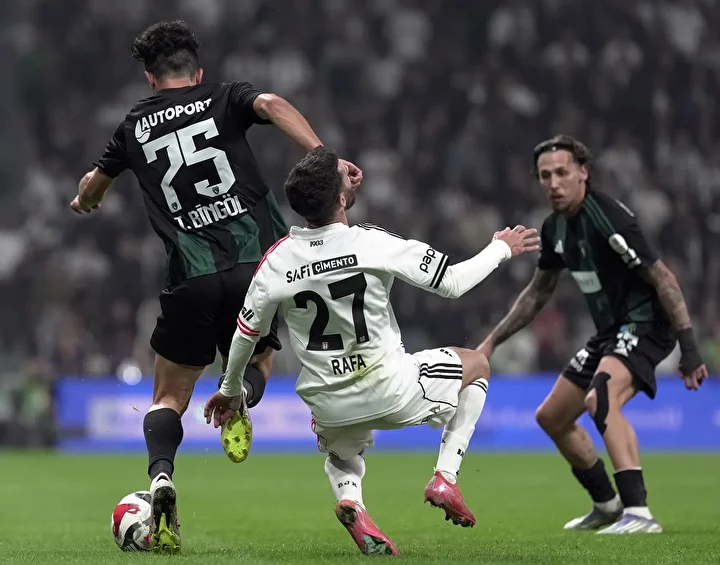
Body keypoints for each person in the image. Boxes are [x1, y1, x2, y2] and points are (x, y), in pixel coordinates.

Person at [69, 21, 362, 554]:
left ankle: (161, 476)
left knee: (167, 397)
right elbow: (272, 104)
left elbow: (94, 184)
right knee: (260, 362)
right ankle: (238, 397)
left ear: (150, 78)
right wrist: (327, 159)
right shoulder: (224, 96)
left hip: (192, 276)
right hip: (258, 270)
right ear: (197, 71)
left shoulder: (132, 127)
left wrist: (87, 196)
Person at [203, 146, 540, 555]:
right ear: (341, 198)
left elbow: (246, 334)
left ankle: (352, 501)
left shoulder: (277, 260)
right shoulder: (372, 242)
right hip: (391, 388)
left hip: (329, 404)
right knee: (478, 364)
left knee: (342, 456)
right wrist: (501, 247)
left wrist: (230, 389)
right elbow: (453, 283)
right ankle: (445, 477)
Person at [477, 134, 708, 535]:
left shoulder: (608, 217)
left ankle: (639, 513)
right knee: (552, 416)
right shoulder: (555, 228)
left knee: (600, 399)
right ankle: (607, 504)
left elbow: (663, 278)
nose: (553, 183)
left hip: (646, 325)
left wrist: (690, 348)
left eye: (562, 172)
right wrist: (491, 341)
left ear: (583, 172)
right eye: (545, 176)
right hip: (611, 332)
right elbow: (537, 293)